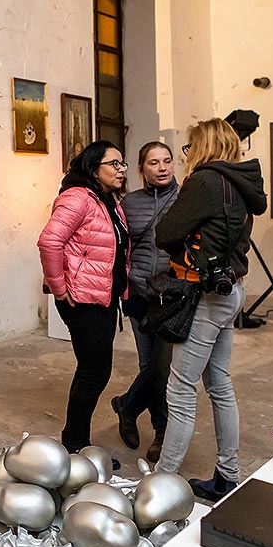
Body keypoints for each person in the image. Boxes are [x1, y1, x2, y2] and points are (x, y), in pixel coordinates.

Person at [153, 118, 267, 501]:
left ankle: (162, 482)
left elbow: (165, 233)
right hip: (232, 290)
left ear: (203, 147)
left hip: (206, 296)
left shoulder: (203, 181)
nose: (187, 154)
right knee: (219, 384)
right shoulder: (242, 182)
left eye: (189, 146)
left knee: (181, 389)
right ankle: (227, 475)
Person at [38, 140, 130, 463]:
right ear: (94, 168)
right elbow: (49, 241)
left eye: (123, 164)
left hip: (102, 297)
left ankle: (74, 441)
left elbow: (116, 247)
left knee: (91, 370)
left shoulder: (107, 201)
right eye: (114, 164)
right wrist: (59, 288)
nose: (121, 170)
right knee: (95, 372)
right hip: (83, 299)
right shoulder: (77, 197)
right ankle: (75, 445)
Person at [110, 141, 179, 463]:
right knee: (148, 364)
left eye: (167, 161)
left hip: (173, 297)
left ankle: (132, 408)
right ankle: (151, 421)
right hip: (138, 294)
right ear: (142, 169)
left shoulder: (186, 200)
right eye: (154, 162)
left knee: (162, 369)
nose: (162, 167)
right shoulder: (129, 202)